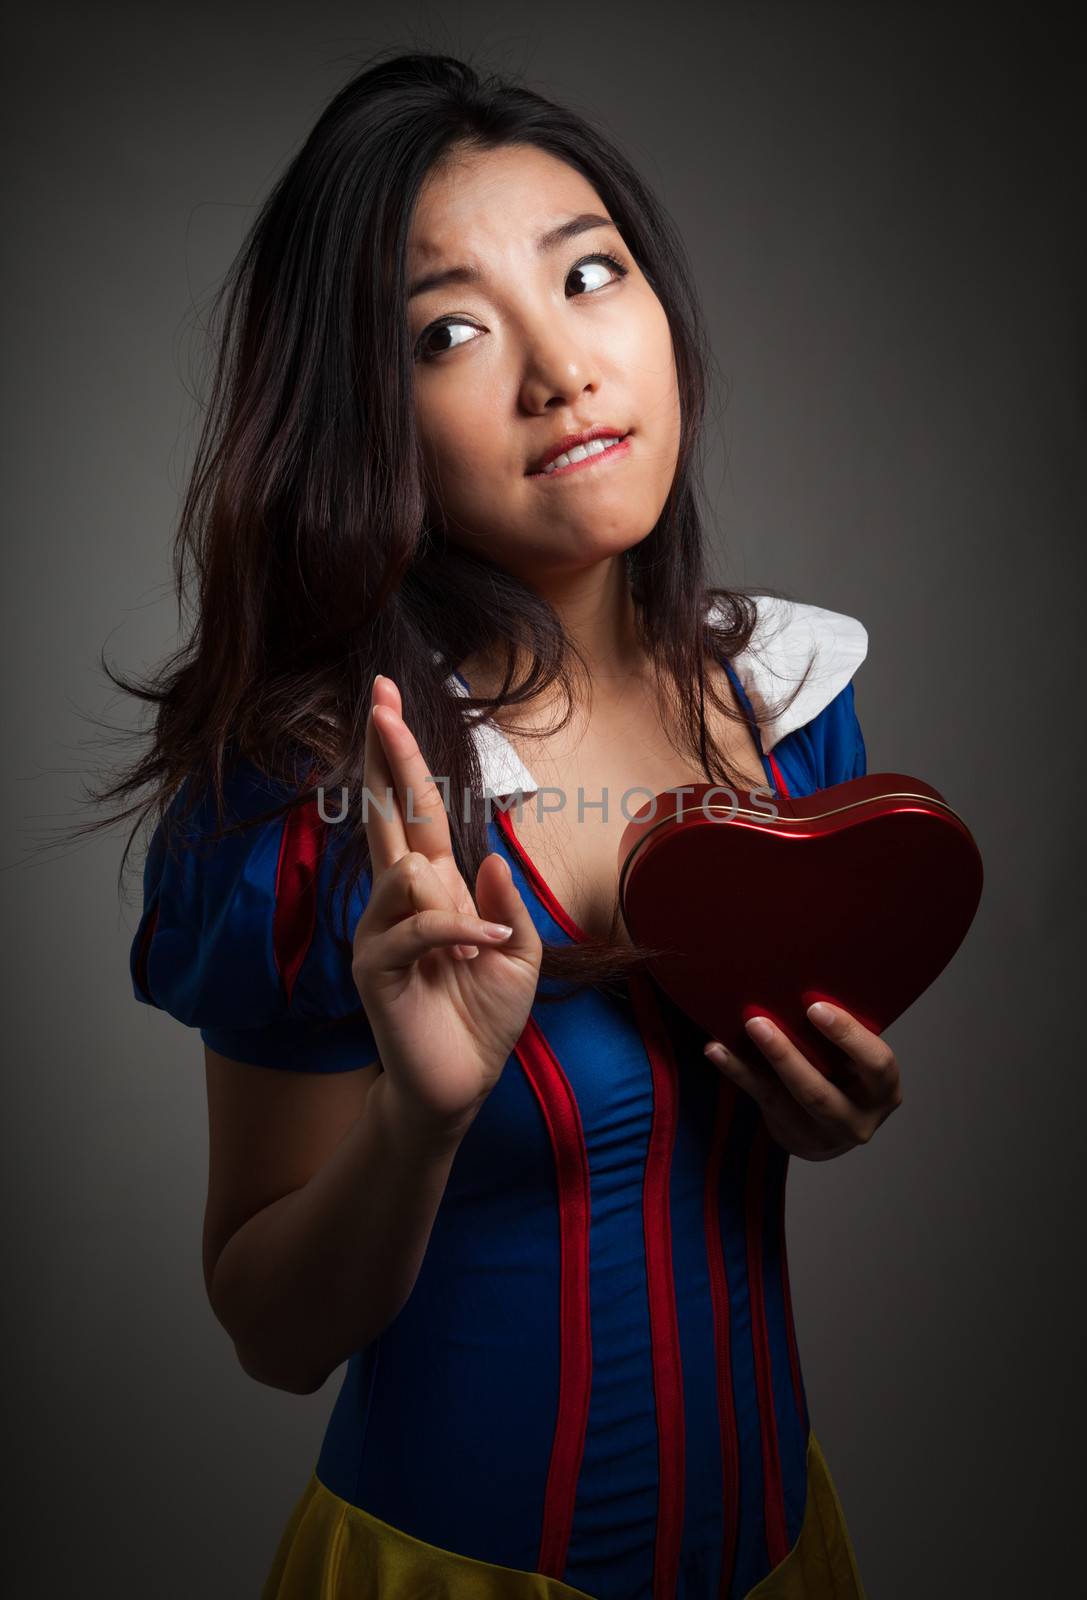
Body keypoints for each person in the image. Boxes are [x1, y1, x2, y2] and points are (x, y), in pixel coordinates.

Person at [121, 50, 902, 1600]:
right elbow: (271, 1338)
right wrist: (418, 1116)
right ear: (366, 419)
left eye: (591, 274)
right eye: (450, 332)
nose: (562, 371)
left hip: (785, 1555)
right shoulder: (313, 803)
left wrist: (831, 1107)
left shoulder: (797, 706)